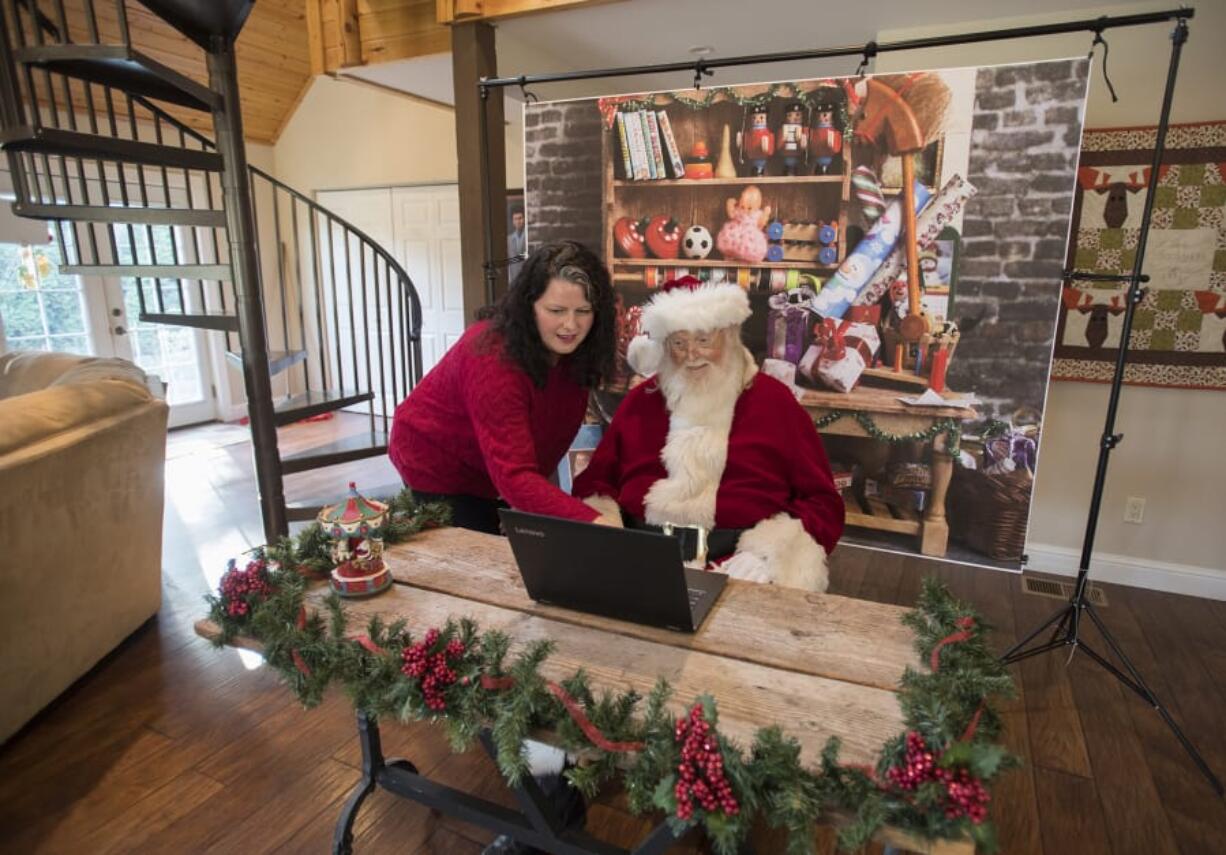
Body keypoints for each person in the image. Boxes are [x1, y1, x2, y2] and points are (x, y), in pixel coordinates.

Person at [573, 275, 844, 591]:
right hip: (640, 565)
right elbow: (594, 484)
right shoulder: (639, 403)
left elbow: (822, 503)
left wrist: (769, 553)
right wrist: (609, 537)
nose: (691, 354)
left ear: (728, 336)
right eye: (679, 342)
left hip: (740, 567)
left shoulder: (774, 403)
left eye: (704, 340)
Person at [388, 240, 619, 533]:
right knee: (480, 555)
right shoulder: (492, 358)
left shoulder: (579, 354)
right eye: (556, 310)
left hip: (494, 468)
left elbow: (540, 449)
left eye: (583, 311)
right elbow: (514, 475)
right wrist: (595, 522)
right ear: (529, 307)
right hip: (435, 462)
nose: (570, 325)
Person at [506, 203, 527, 285]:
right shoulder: (509, 239)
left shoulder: (529, 237)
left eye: (520, 218)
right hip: (514, 281)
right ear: (513, 221)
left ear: (524, 219)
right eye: (515, 219)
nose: (518, 221)